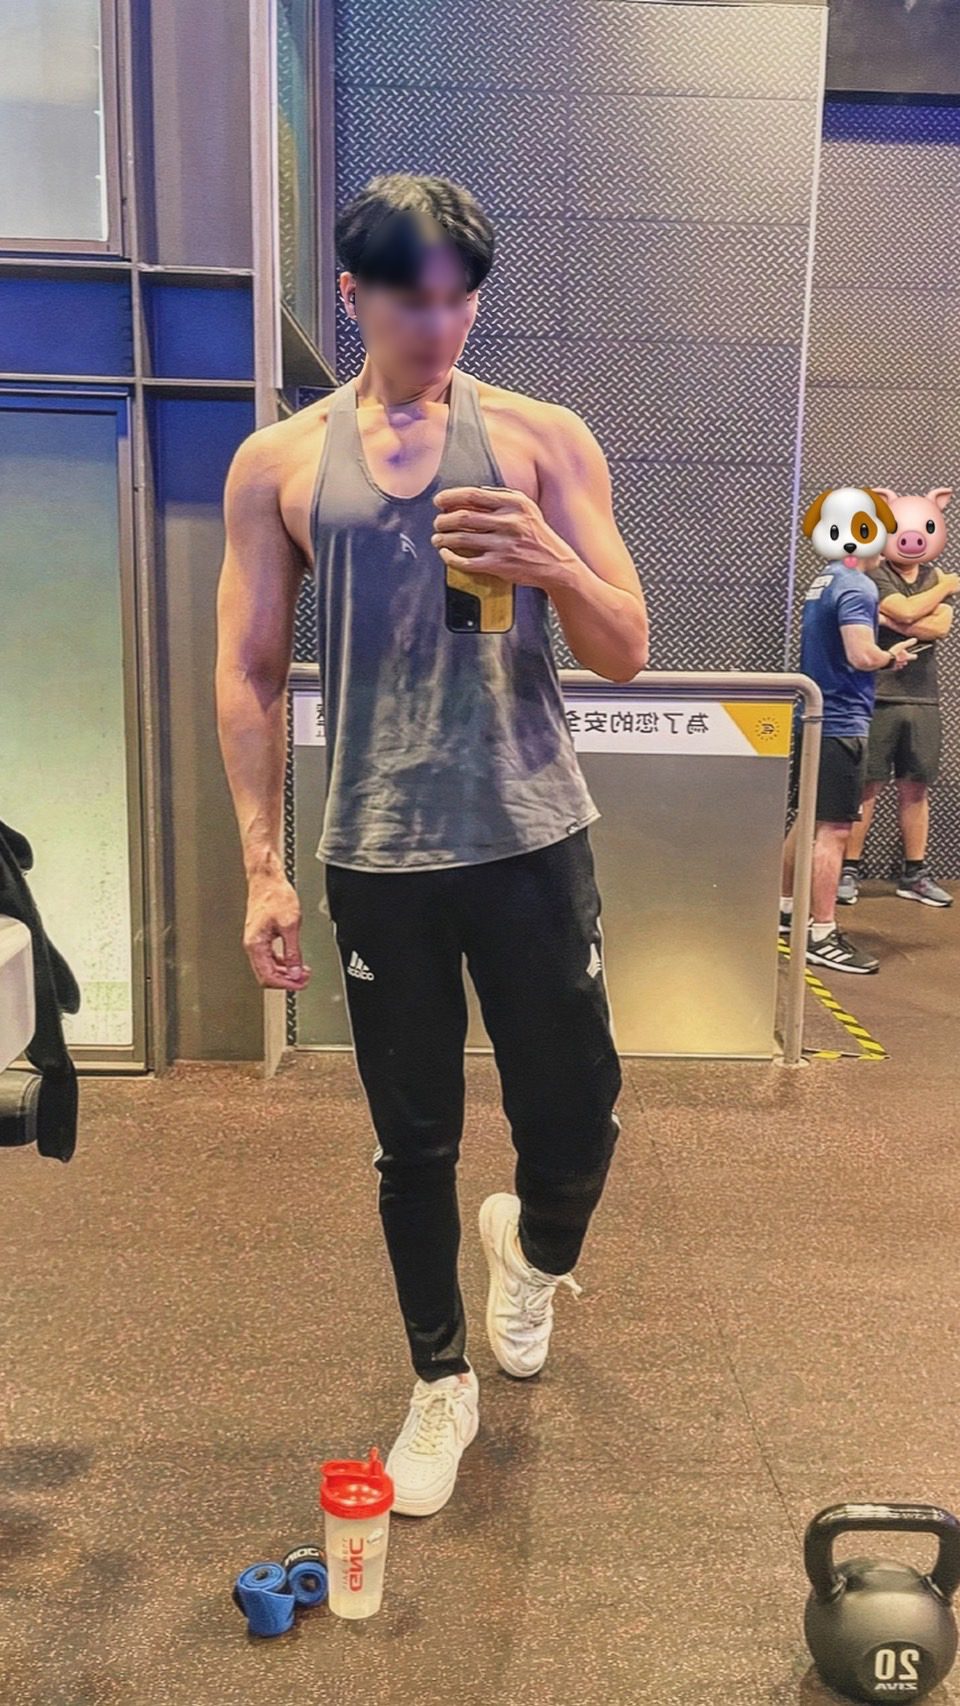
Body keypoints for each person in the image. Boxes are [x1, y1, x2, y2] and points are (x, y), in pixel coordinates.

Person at [214, 173, 648, 1517]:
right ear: (354, 295)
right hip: (379, 851)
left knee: (575, 1117)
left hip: (529, 835)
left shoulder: (541, 437)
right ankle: (439, 1378)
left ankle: (533, 1249)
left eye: (463, 301)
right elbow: (249, 667)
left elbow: (626, 648)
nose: (443, 327)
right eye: (415, 302)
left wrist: (553, 562)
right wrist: (264, 864)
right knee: (413, 1144)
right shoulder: (280, 462)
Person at [780, 487, 916, 974]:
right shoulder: (858, 586)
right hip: (840, 721)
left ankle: (786, 910)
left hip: (817, 718)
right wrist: (890, 656)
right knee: (835, 829)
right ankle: (821, 933)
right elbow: (860, 654)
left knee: (809, 819)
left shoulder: (827, 579)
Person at [838, 491, 957, 909]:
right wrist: (944, 588)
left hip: (923, 700)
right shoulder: (877, 572)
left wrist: (897, 617)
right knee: (866, 786)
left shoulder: (932, 574)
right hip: (877, 695)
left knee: (916, 787)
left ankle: (914, 874)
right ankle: (848, 870)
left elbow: (940, 627)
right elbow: (905, 611)